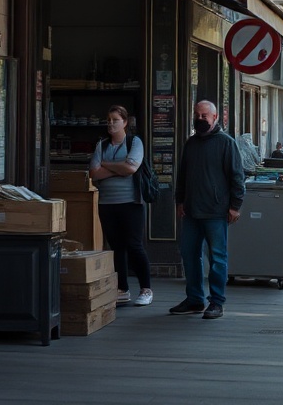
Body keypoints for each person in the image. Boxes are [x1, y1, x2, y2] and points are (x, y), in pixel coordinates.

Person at [171, 100, 245, 320]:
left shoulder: (226, 143)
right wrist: (180, 201)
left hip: (216, 211)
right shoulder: (191, 143)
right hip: (192, 211)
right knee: (189, 254)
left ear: (215, 118)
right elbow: (182, 175)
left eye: (204, 116)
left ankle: (216, 302)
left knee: (218, 258)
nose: (200, 119)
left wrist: (235, 206)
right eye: (197, 115)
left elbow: (237, 177)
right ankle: (194, 299)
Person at [89, 105, 153, 307]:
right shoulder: (102, 145)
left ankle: (146, 289)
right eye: (108, 119)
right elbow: (93, 173)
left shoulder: (135, 142)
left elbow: (131, 167)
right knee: (116, 247)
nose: (110, 123)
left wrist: (106, 165)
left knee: (134, 245)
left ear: (125, 122)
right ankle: (122, 289)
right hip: (107, 203)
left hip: (131, 202)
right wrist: (119, 167)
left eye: (115, 119)